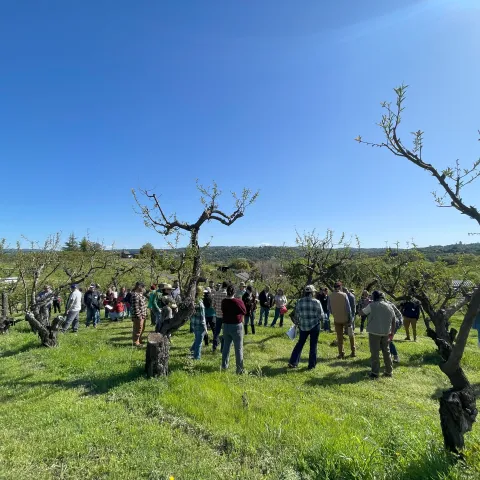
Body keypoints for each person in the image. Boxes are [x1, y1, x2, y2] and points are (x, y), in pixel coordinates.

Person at [361, 290, 396, 379]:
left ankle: (375, 373)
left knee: (375, 353)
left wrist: (364, 305)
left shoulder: (372, 305)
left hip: (374, 332)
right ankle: (389, 371)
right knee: (386, 352)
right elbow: (393, 320)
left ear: (375, 297)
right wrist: (392, 332)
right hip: (386, 332)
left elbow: (361, 313)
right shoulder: (390, 306)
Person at [288, 285, 324, 370]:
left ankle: (293, 362)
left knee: (300, 344)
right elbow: (321, 316)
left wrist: (299, 322)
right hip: (314, 325)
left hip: (303, 326)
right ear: (312, 293)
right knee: (313, 346)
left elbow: (296, 315)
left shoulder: (299, 301)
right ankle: (311, 366)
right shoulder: (316, 302)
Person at [221, 284, 246, 373]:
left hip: (226, 325)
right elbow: (244, 311)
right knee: (238, 348)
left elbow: (223, 310)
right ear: (234, 292)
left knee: (226, 347)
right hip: (236, 326)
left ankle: (224, 366)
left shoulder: (224, 301)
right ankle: (239, 369)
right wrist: (241, 300)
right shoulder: (237, 301)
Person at [329, 282, 355, 358]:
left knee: (339, 337)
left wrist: (335, 314)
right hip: (346, 319)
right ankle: (353, 351)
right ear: (340, 287)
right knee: (351, 335)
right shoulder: (344, 295)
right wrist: (350, 319)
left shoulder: (330, 296)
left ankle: (341, 353)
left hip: (337, 319)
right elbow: (348, 308)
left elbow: (329, 308)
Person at [190, 286, 207, 360]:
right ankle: (196, 357)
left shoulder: (193, 301)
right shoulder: (200, 304)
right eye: (203, 293)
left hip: (194, 324)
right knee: (199, 342)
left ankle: (192, 350)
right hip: (200, 325)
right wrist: (205, 328)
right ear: (200, 294)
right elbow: (202, 318)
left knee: (197, 338)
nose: (204, 294)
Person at [212, 281, 228, 352]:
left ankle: (214, 347)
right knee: (224, 332)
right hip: (225, 316)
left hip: (218, 315)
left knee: (216, 332)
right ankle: (222, 349)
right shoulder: (227, 294)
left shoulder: (216, 293)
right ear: (227, 287)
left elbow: (213, 305)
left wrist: (216, 310)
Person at [131, 282, 147, 346]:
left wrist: (144, 314)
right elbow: (135, 307)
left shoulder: (140, 294)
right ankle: (135, 342)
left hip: (142, 315)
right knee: (137, 329)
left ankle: (139, 340)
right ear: (139, 287)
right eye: (143, 287)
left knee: (141, 328)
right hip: (138, 316)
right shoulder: (135, 295)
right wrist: (139, 316)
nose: (143, 289)